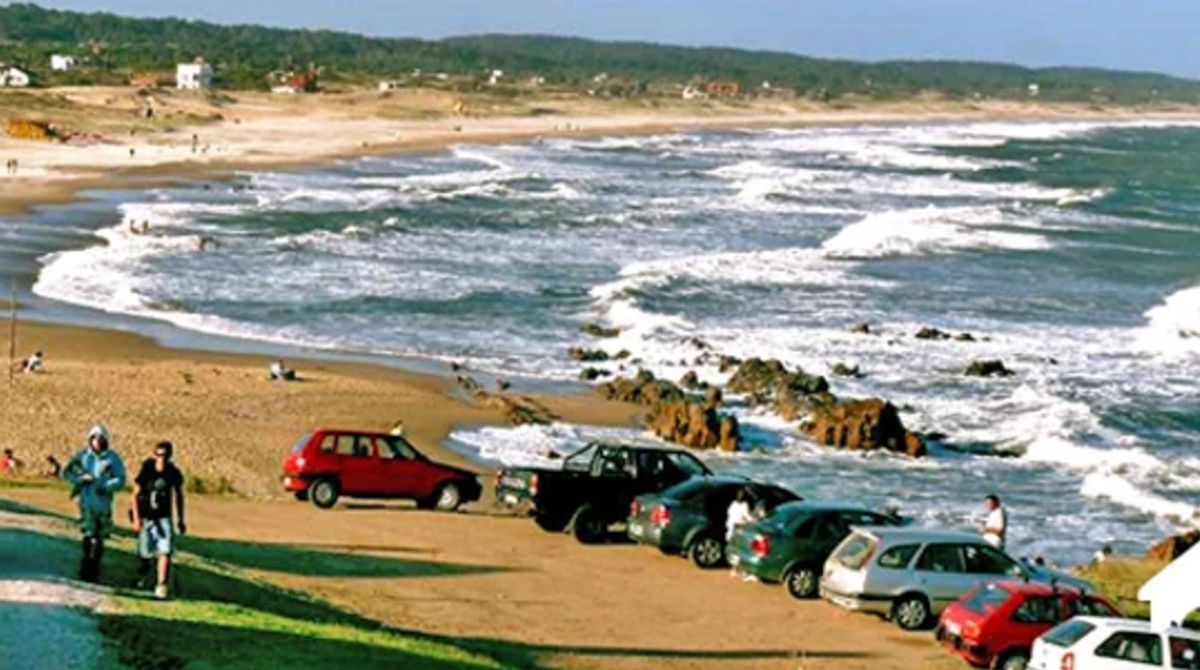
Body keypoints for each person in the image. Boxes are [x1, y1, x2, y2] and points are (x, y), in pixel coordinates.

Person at [62, 425, 127, 583]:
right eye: (94, 438)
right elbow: (66, 472)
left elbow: (121, 479)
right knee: (88, 534)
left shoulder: (112, 458)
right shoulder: (83, 457)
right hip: (86, 503)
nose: (97, 442)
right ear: (90, 439)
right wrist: (80, 480)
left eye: (100, 439)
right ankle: (86, 566)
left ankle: (95, 567)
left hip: (103, 505)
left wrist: (105, 485)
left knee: (100, 537)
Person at [131, 441, 186, 599]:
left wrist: (181, 519)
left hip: (164, 518)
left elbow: (179, 496)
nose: (161, 458)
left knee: (165, 551)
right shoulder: (147, 469)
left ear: (170, 456)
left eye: (165, 455)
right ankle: (143, 575)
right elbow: (134, 494)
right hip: (147, 517)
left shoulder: (173, 473)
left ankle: (162, 584)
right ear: (154, 455)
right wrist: (136, 518)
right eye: (159, 454)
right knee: (145, 553)